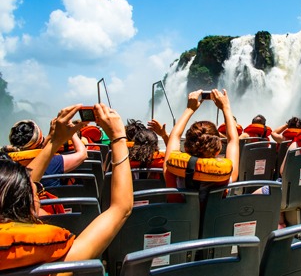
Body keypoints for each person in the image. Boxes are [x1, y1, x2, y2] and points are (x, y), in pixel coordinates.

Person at [0, 103, 133, 270]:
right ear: (26, 207)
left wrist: (54, 141)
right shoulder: (59, 260)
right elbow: (121, 207)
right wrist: (119, 137)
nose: (38, 190)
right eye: (36, 192)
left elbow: (27, 181)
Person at [163, 88, 239, 195]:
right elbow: (233, 141)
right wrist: (226, 107)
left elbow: (174, 137)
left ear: (185, 147)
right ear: (218, 149)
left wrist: (190, 109)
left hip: (183, 212)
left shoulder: (171, 172)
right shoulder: (229, 174)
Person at [8, 119, 87, 187]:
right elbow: (82, 154)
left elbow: (41, 149)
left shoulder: (7, 166)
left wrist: (50, 135)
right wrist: (72, 131)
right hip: (53, 202)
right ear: (40, 141)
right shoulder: (52, 162)